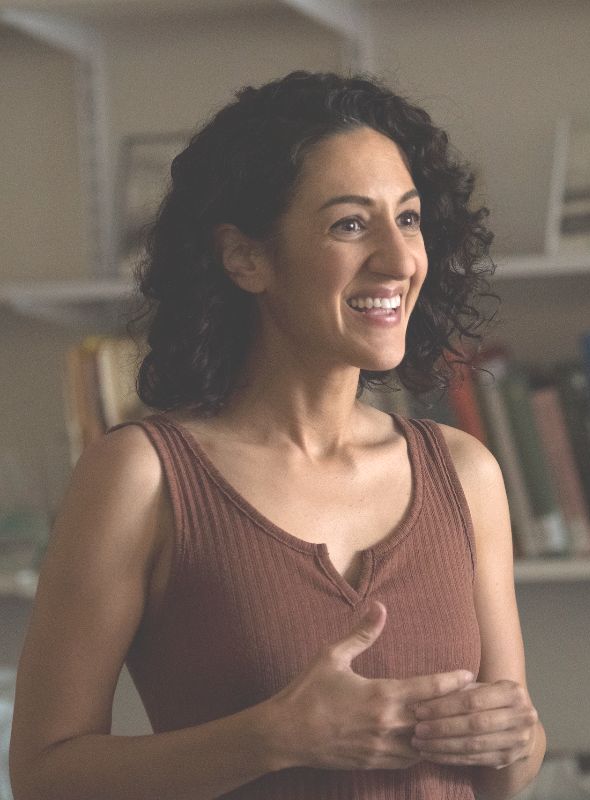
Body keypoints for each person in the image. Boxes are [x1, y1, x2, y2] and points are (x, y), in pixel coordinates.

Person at [9, 71, 545, 799]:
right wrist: (272, 738)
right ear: (246, 257)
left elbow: (505, 773)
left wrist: (517, 737)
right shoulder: (142, 476)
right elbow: (44, 776)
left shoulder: (465, 472)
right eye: (350, 224)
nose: (398, 260)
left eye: (409, 218)